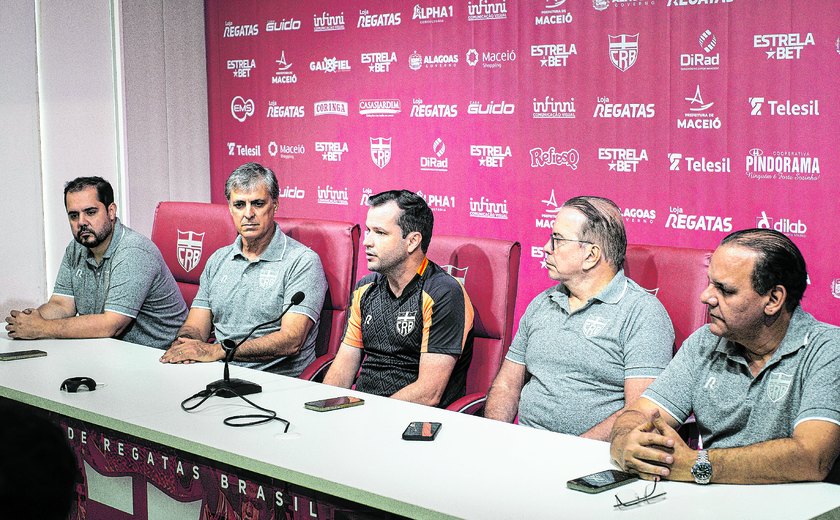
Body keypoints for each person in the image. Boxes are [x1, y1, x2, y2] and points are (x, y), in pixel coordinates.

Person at [610, 229, 840, 484]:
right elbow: (638, 414)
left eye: (725, 290)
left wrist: (698, 465)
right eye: (709, 282)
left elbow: (812, 457)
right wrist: (626, 442)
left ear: (773, 299)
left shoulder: (828, 349)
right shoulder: (703, 342)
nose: (705, 296)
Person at [484, 196, 674, 440]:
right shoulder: (542, 303)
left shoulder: (642, 314)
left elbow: (639, 413)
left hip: (593, 461)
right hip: (524, 448)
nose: (546, 247)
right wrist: (496, 437)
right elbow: (507, 385)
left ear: (591, 255)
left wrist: (572, 452)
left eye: (557, 240)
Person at [160, 163, 326, 376]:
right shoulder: (218, 259)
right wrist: (187, 345)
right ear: (229, 208)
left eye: (257, 203)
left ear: (275, 205)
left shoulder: (303, 261)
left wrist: (218, 351)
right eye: (239, 205)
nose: (248, 214)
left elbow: (291, 340)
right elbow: (196, 325)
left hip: (277, 382)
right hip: (218, 373)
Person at [323, 190, 474, 407]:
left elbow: (428, 393)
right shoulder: (365, 289)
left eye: (380, 233)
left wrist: (369, 416)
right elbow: (342, 370)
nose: (366, 241)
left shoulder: (443, 294)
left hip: (414, 422)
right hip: (363, 413)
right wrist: (324, 408)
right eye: (367, 230)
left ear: (412, 241)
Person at [4, 177, 187, 349]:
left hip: (157, 356)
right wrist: (31, 320)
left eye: (90, 212)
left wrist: (42, 328)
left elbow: (111, 325)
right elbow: (61, 305)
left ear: (111, 211)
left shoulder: (134, 251)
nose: (81, 222)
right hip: (108, 351)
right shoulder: (75, 249)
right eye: (74, 216)